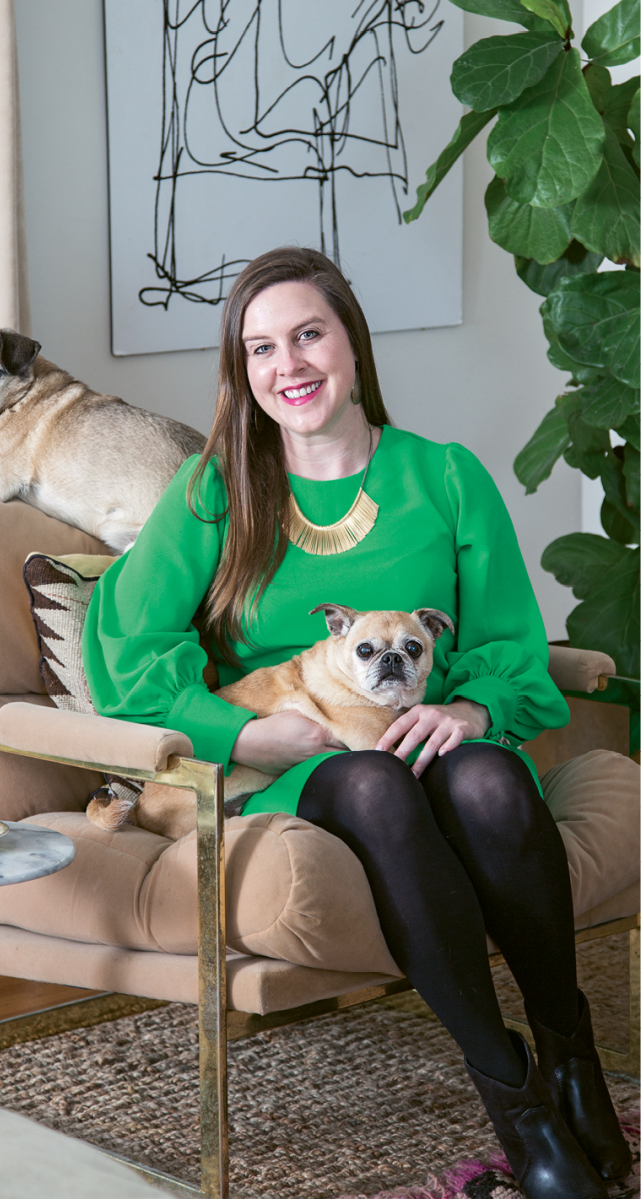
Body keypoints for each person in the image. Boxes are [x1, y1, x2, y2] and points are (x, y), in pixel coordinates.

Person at [82, 247, 630, 1198]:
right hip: (306, 761)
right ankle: (520, 1105)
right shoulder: (220, 488)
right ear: (242, 371)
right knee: (375, 781)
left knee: (491, 777)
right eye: (260, 348)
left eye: (307, 334)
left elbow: (509, 641)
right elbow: (127, 639)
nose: (287, 365)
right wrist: (239, 736)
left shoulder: (447, 475)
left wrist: (470, 706)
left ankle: (569, 1046)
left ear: (351, 344)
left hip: (441, 738)